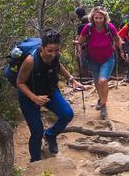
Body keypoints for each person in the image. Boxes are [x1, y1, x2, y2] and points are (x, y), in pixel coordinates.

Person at [17, 29, 83, 162]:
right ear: (42, 48)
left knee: (67, 114)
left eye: (56, 50)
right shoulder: (30, 60)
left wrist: (72, 80)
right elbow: (20, 82)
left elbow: (58, 66)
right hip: (29, 97)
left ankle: (50, 135)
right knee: (36, 131)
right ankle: (35, 161)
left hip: (49, 92)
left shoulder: (55, 56)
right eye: (50, 51)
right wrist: (34, 98)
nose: (53, 54)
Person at [76, 6, 127, 120]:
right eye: (96, 18)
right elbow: (81, 41)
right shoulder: (87, 28)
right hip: (92, 59)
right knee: (97, 83)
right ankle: (101, 101)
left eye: (100, 18)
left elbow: (117, 39)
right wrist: (78, 47)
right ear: (92, 18)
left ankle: (103, 104)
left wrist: (123, 51)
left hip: (107, 58)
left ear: (104, 18)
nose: (98, 20)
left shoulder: (110, 27)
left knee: (102, 80)